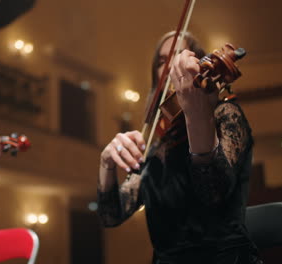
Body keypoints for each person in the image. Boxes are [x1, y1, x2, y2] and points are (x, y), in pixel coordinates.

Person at [97, 31, 262, 264]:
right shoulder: (157, 148)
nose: (170, 66)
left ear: (199, 63)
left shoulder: (225, 115)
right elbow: (111, 214)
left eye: (177, 55)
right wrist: (106, 164)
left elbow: (212, 190)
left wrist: (196, 114)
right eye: (161, 61)